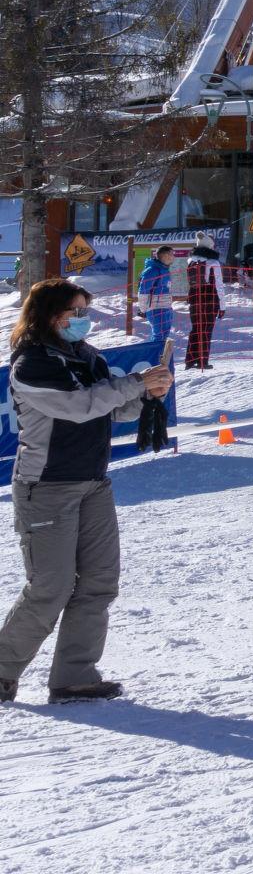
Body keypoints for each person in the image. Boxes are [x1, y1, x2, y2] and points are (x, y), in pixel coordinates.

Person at [0, 280, 173, 703]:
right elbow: (78, 407)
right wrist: (136, 382)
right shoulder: (32, 362)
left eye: (85, 311)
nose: (83, 319)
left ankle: (74, 678)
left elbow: (112, 409)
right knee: (50, 588)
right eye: (74, 312)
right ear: (49, 314)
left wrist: (148, 394)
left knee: (99, 582)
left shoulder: (87, 356)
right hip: (46, 487)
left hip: (94, 482)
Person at [183, 238, 223, 371]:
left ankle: (190, 360)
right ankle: (202, 361)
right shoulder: (213, 262)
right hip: (210, 299)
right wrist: (222, 306)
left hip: (194, 299)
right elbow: (219, 285)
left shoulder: (190, 261)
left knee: (195, 329)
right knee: (206, 330)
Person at [136, 246, 176, 348]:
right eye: (172, 254)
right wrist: (143, 309)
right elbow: (143, 291)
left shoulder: (165, 270)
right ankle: (154, 356)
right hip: (156, 308)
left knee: (165, 335)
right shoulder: (152, 270)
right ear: (165, 255)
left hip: (166, 307)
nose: (173, 256)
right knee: (159, 336)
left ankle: (162, 356)